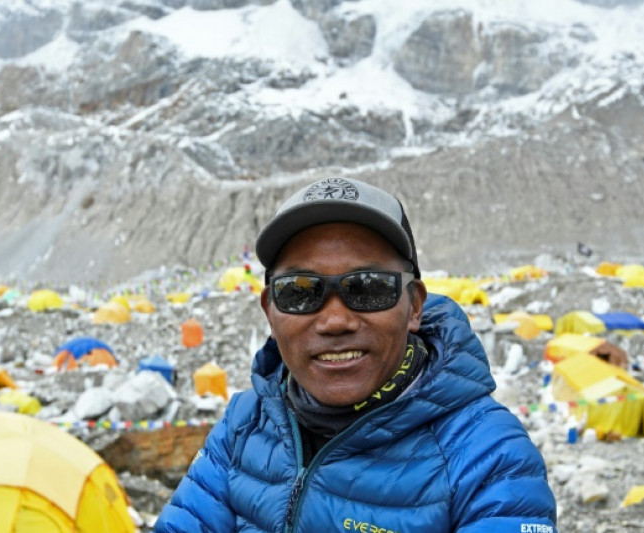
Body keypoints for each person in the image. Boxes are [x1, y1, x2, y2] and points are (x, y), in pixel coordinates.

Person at [155, 177, 557, 532]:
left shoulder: (488, 455)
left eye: (367, 287)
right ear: (270, 312)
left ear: (413, 306)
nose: (334, 321)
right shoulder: (244, 425)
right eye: (299, 291)